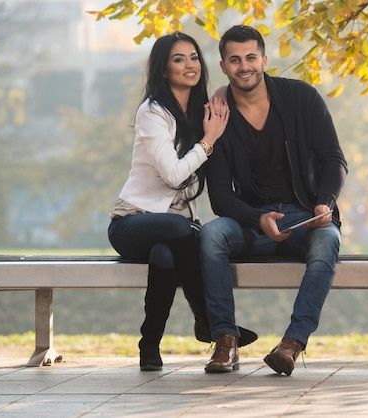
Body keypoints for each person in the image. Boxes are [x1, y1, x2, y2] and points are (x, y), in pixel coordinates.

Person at [200, 25, 348, 375]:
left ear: (264, 60)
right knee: (210, 235)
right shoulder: (218, 117)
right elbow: (219, 194)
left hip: (304, 218)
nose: (244, 66)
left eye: (251, 57)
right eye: (234, 60)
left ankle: (293, 343)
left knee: (328, 239)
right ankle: (225, 340)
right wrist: (257, 219)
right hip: (251, 221)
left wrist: (324, 203)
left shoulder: (301, 98)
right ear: (223, 66)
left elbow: (333, 159)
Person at [107, 32, 257, 372]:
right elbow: (174, 176)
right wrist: (208, 142)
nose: (189, 65)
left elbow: (223, 100)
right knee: (185, 229)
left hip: (172, 232)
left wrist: (219, 98)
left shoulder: (199, 112)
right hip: (131, 223)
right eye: (178, 59)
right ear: (163, 69)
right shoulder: (153, 112)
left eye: (193, 58)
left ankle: (149, 347)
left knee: (165, 255)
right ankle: (211, 323)